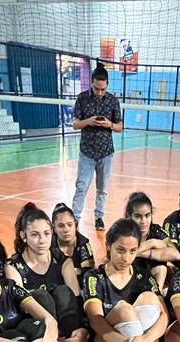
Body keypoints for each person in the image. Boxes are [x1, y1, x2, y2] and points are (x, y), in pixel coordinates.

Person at [6, 203, 95, 342]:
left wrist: (84, 329)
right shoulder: (14, 266)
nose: (42, 240)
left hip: (64, 323)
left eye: (46, 233)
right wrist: (48, 337)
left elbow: (76, 299)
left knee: (64, 291)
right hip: (37, 328)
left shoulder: (63, 260)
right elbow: (22, 308)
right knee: (40, 296)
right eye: (35, 235)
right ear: (23, 236)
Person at [71, 64, 123, 231]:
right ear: (91, 83)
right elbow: (75, 124)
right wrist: (89, 121)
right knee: (81, 186)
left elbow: (120, 127)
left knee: (102, 188)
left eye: (102, 89)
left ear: (107, 85)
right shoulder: (82, 98)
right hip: (86, 152)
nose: (99, 92)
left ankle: (99, 217)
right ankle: (75, 219)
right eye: (96, 88)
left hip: (106, 152)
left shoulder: (113, 101)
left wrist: (109, 124)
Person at [126, 191, 180, 293]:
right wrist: (151, 244)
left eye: (147, 215)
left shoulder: (156, 230)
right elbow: (121, 257)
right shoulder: (123, 231)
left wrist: (142, 251)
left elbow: (176, 254)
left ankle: (156, 296)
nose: (143, 221)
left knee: (161, 268)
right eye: (138, 216)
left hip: (151, 278)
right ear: (130, 216)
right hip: (128, 277)